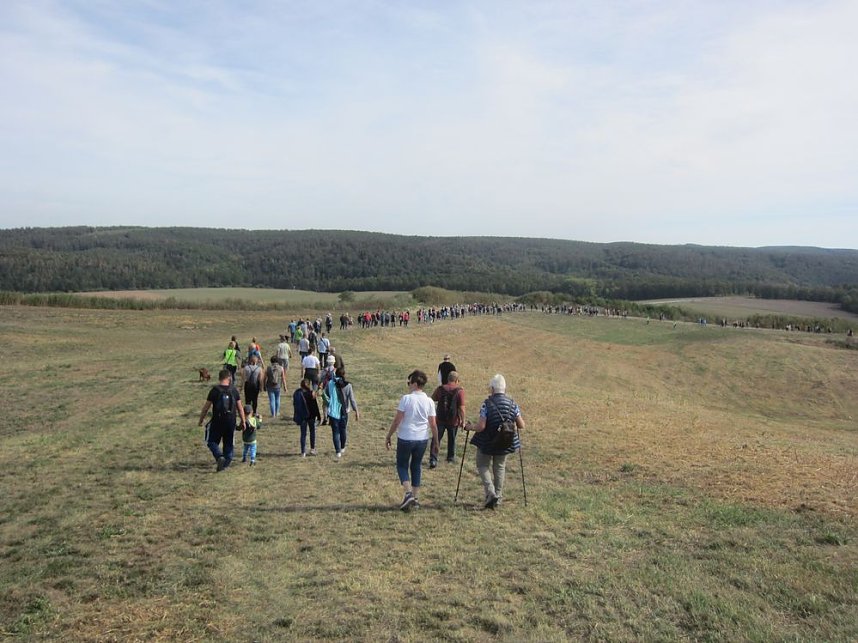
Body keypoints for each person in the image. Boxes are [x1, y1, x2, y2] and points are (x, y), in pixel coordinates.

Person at [385, 370, 439, 511]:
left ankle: (408, 493)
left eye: (409, 383)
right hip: (422, 439)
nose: (408, 385)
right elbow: (433, 424)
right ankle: (415, 498)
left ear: (415, 383)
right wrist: (436, 441)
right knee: (416, 466)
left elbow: (397, 420)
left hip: (406, 437)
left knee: (402, 465)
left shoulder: (407, 399)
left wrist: (389, 435)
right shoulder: (429, 401)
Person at [469, 374, 525, 509]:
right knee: (500, 467)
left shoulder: (487, 404)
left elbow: (481, 427)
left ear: (492, 389)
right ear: (504, 389)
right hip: (505, 441)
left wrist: (470, 427)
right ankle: (498, 497)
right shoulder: (513, 404)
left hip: (487, 441)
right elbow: (521, 425)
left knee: (482, 465)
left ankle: (490, 493)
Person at [198, 369, 246, 471]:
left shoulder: (215, 390)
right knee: (228, 443)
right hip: (231, 421)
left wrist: (201, 420)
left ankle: (219, 456)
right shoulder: (234, 390)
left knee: (212, 441)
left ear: (219, 378)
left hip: (217, 420)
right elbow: (240, 408)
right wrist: (243, 421)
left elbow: (206, 408)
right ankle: (225, 464)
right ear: (229, 377)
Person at [429, 371, 466, 468]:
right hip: (453, 420)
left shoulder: (440, 389)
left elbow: (432, 398)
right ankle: (450, 457)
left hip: (440, 419)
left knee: (436, 439)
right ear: (457, 380)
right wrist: (463, 421)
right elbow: (462, 408)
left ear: (448, 379)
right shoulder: (459, 391)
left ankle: (433, 458)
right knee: (452, 439)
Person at [325, 367, 360, 459]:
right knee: (343, 430)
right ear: (344, 375)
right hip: (344, 411)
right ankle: (342, 447)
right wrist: (356, 411)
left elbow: (326, 394)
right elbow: (352, 400)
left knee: (335, 432)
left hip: (333, 412)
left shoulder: (330, 383)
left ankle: (338, 451)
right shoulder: (348, 385)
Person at [292, 378, 320, 457]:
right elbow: (315, 406)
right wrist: (318, 416)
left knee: (303, 434)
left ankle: (303, 452)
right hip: (311, 416)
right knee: (312, 432)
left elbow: (295, 405)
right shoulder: (311, 393)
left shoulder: (297, 393)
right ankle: (312, 449)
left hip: (302, 416)